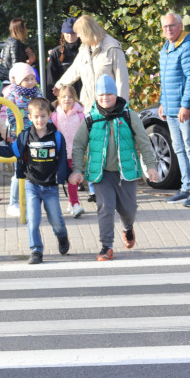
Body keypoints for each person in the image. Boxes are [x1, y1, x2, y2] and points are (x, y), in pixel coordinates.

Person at [72, 75, 157, 261]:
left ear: (115, 94)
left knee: (129, 209)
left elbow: (144, 142)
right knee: (105, 209)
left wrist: (151, 166)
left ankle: (128, 227)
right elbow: (78, 145)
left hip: (126, 172)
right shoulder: (90, 119)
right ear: (96, 97)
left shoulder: (128, 115)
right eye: (101, 95)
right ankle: (106, 246)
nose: (105, 98)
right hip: (101, 174)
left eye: (109, 94)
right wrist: (77, 170)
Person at [0, 97, 81, 264]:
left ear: (49, 116)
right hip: (32, 185)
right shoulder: (25, 136)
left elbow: (62, 160)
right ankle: (36, 250)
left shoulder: (57, 137)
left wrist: (70, 175)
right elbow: (11, 151)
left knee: (57, 221)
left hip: (50, 186)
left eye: (43, 116)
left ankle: (62, 236)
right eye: (36, 116)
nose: (40, 120)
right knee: (33, 220)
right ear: (30, 117)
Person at [158, 12, 190, 208]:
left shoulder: (188, 46)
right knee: (179, 149)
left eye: (172, 25)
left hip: (186, 109)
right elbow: (165, 80)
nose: (168, 29)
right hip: (170, 109)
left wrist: (186, 105)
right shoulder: (166, 47)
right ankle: (186, 187)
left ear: (180, 25)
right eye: (165, 27)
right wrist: (162, 102)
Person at [54, 14, 130, 112]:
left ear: (87, 32)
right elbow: (74, 69)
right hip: (88, 107)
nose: (77, 36)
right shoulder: (84, 48)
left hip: (110, 107)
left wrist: (122, 107)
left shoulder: (112, 47)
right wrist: (59, 85)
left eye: (78, 32)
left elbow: (122, 80)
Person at [5, 62, 39, 216]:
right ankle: (13, 203)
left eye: (33, 78)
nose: (31, 82)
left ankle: (31, 201)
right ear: (17, 81)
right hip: (20, 138)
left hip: (37, 137)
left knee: (34, 170)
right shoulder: (12, 96)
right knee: (19, 171)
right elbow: (12, 118)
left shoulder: (37, 93)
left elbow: (44, 110)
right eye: (27, 79)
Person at [51, 84, 85, 217]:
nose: (67, 99)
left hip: (75, 153)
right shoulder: (54, 116)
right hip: (60, 155)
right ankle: (69, 203)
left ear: (75, 98)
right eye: (64, 96)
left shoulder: (81, 115)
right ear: (58, 98)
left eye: (70, 97)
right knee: (59, 180)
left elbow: (86, 133)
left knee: (73, 179)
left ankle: (75, 204)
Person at [0, 17, 36, 94]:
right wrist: (29, 62)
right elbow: (16, 66)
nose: (26, 29)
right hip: (12, 81)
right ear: (18, 29)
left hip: (7, 79)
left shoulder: (10, 41)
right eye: (24, 27)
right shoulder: (15, 43)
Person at [46, 16, 81, 99]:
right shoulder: (56, 53)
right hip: (64, 98)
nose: (70, 36)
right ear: (63, 33)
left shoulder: (85, 50)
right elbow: (51, 80)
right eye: (67, 33)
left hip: (83, 96)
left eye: (73, 33)